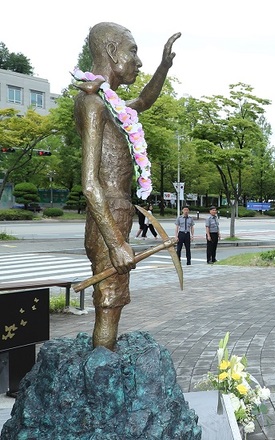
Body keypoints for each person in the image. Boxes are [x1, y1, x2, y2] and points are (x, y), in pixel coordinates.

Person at [74, 22, 180, 350]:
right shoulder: (93, 102)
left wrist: (164, 67)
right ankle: (101, 373)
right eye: (132, 51)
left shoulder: (113, 106)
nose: (138, 61)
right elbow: (90, 184)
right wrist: (116, 242)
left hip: (118, 212)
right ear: (111, 51)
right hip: (108, 214)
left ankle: (105, 363)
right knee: (109, 301)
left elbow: (145, 101)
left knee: (115, 301)